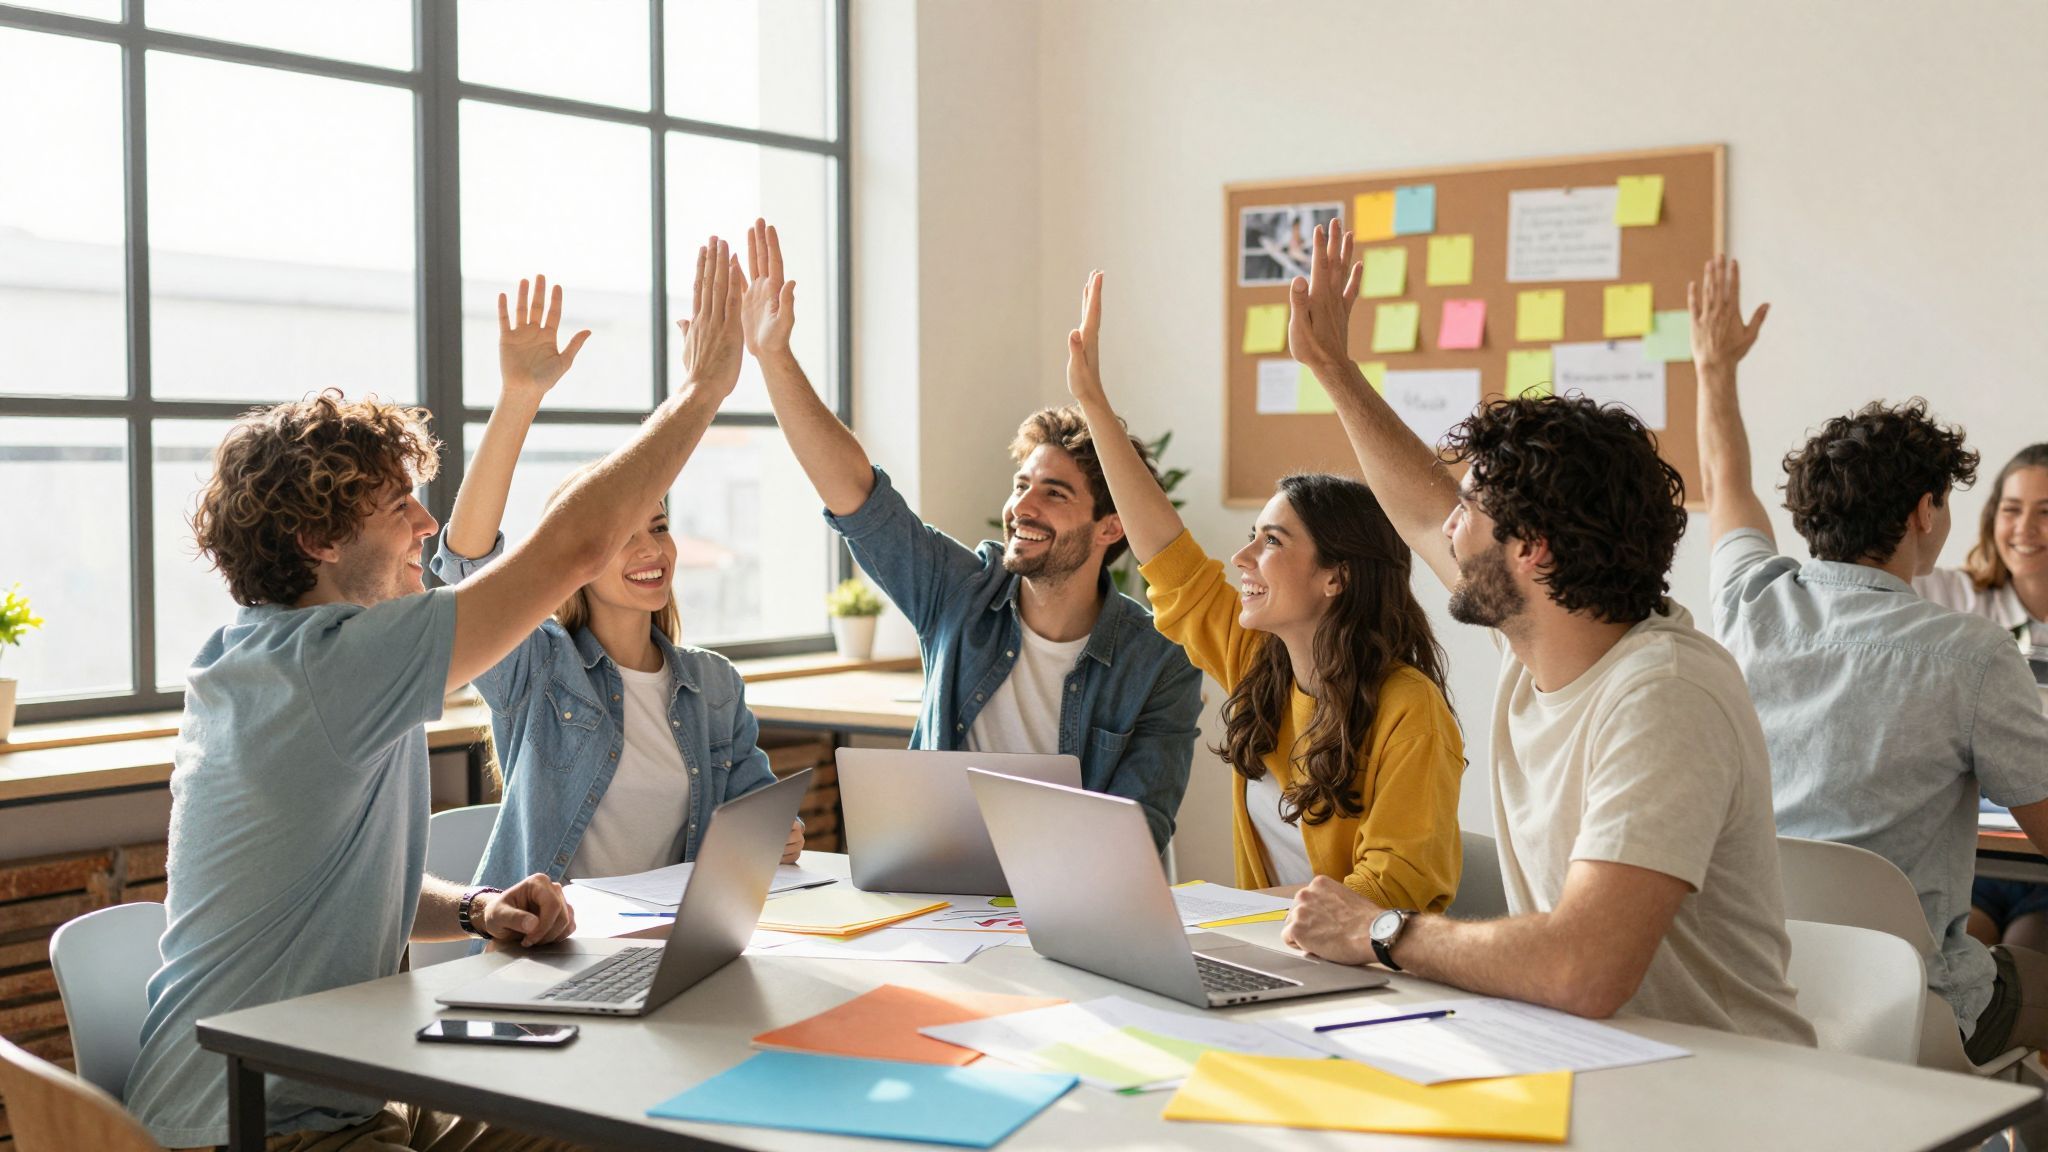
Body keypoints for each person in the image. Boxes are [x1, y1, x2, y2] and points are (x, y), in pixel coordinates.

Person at [125, 237, 752, 1151]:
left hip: (341, 1083)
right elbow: (573, 548)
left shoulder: (262, 657)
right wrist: (700, 393)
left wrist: (470, 911)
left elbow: (328, 880)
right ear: (317, 542)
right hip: (265, 1123)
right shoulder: (332, 663)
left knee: (596, 1118)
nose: (428, 523)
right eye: (399, 509)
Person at [1278, 223, 1812, 1044]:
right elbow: (1418, 502)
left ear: (1532, 552)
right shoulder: (1542, 635)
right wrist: (1333, 370)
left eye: (1472, 512)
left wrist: (1377, 931)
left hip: (1712, 1094)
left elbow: (1582, 969)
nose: (1448, 530)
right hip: (1588, 1062)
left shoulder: (1664, 695)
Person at [741, 219, 1203, 850]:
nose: (1023, 507)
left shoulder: (1159, 662)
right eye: (1021, 485)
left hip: (1064, 900)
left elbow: (1140, 831)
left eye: (1054, 492)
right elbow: (856, 496)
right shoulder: (960, 592)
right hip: (934, 892)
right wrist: (774, 359)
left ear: (1111, 526)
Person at [1690, 256, 2048, 1063]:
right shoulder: (1973, 654)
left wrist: (1715, 370)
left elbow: (1726, 479)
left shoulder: (1750, 603)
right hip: (1912, 1001)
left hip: (1753, 984)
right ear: (1925, 512)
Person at [1060, 270, 1463, 905]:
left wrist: (1227, 915)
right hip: (1270, 958)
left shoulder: (1410, 711)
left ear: (1337, 575)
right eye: (1254, 535)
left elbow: (1395, 886)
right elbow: (1169, 559)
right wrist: (1093, 405)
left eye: (1272, 542)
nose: (1243, 556)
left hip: (1371, 981)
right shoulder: (1262, 667)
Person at [430, 275, 803, 888]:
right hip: (547, 948)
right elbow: (466, 562)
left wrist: (781, 835)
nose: (650, 549)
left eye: (657, 526)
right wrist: (519, 396)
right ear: (580, 555)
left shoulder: (713, 686)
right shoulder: (540, 667)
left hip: (670, 941)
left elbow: (752, 815)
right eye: (622, 536)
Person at [1918, 443, 2048, 950]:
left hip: (2039, 855)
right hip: (1977, 857)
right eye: (2012, 510)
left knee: (2024, 964)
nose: (2024, 529)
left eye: (2045, 513)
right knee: (1959, 960)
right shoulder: (1954, 597)